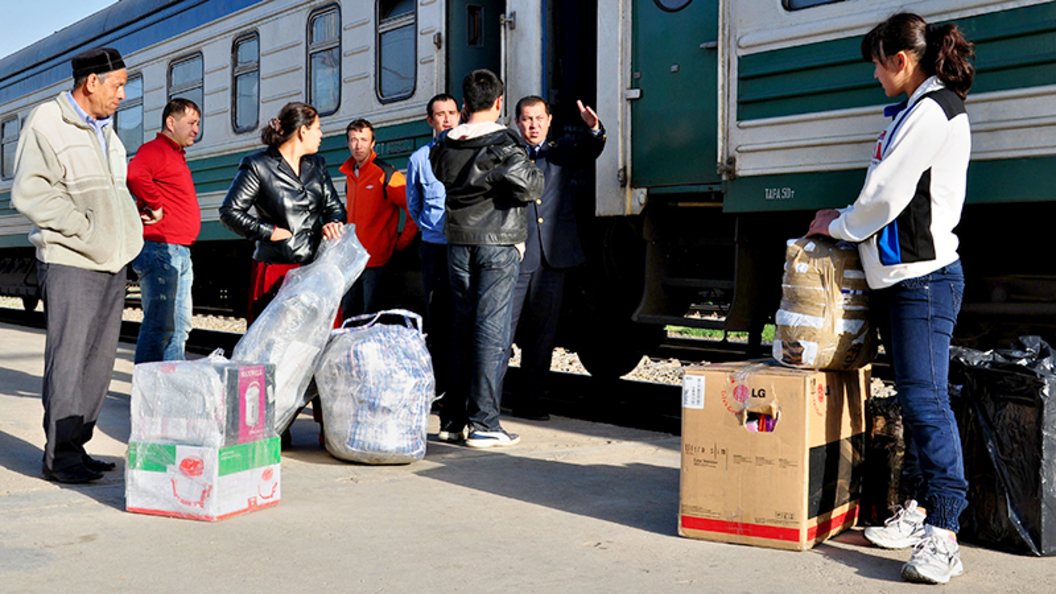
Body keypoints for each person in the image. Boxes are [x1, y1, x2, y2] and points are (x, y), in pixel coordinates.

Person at [807, 12, 974, 585]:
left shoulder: (931, 111)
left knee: (927, 405)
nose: (875, 77)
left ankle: (945, 533)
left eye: (878, 66)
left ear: (901, 60)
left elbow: (883, 196)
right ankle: (923, 511)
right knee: (917, 400)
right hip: (907, 281)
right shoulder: (920, 107)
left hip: (922, 282)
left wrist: (838, 224)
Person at [11, 47, 143, 483]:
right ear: (92, 82)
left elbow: (108, 193)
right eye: (118, 85)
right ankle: (58, 457)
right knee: (69, 360)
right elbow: (30, 192)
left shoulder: (108, 132)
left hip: (110, 259)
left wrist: (127, 220)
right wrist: (84, 228)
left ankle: (76, 447)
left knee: (99, 361)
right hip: (71, 259)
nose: (123, 94)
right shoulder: (47, 121)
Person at [430, 69, 544, 448]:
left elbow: (440, 172)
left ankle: (451, 420)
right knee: (492, 332)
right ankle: (485, 424)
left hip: (458, 243)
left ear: (463, 107)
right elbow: (531, 186)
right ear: (498, 104)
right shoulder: (504, 144)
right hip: (497, 243)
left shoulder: (444, 145)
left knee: (462, 328)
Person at [504, 96, 606, 421]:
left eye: (538, 118)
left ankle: (528, 401)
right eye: (526, 119)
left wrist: (595, 129)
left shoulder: (560, 152)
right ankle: (487, 405)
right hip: (516, 258)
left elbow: (591, 150)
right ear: (517, 123)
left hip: (552, 259)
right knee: (501, 333)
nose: (533, 125)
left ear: (548, 120)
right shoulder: (508, 157)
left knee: (542, 336)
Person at [219, 101, 346, 322]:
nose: (321, 134)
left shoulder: (317, 165)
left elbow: (334, 207)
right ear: (303, 131)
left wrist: (333, 222)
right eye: (318, 128)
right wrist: (270, 232)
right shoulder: (258, 165)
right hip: (276, 270)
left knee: (319, 341)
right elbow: (230, 211)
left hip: (316, 268)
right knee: (275, 343)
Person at [127, 98, 201, 363]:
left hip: (177, 250)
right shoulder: (156, 149)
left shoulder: (174, 154)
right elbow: (135, 174)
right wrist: (155, 205)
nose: (196, 129)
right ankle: (148, 397)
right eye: (191, 123)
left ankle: (168, 393)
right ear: (171, 122)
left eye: (197, 124)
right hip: (161, 249)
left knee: (178, 328)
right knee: (160, 326)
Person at [406, 93, 460, 400]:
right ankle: (439, 386)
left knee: (463, 316)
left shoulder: (469, 154)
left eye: (452, 113)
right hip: (434, 247)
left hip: (463, 245)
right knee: (437, 318)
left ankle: (459, 385)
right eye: (441, 114)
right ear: (431, 120)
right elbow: (414, 205)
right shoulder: (419, 159)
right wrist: (431, 228)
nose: (448, 118)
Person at [339, 118, 418, 317]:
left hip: (377, 262)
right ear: (348, 143)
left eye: (364, 140)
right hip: (352, 260)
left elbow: (413, 210)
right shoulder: (349, 174)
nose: (358, 145)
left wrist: (400, 244)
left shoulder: (386, 174)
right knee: (349, 315)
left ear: (373, 143)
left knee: (371, 317)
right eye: (353, 140)